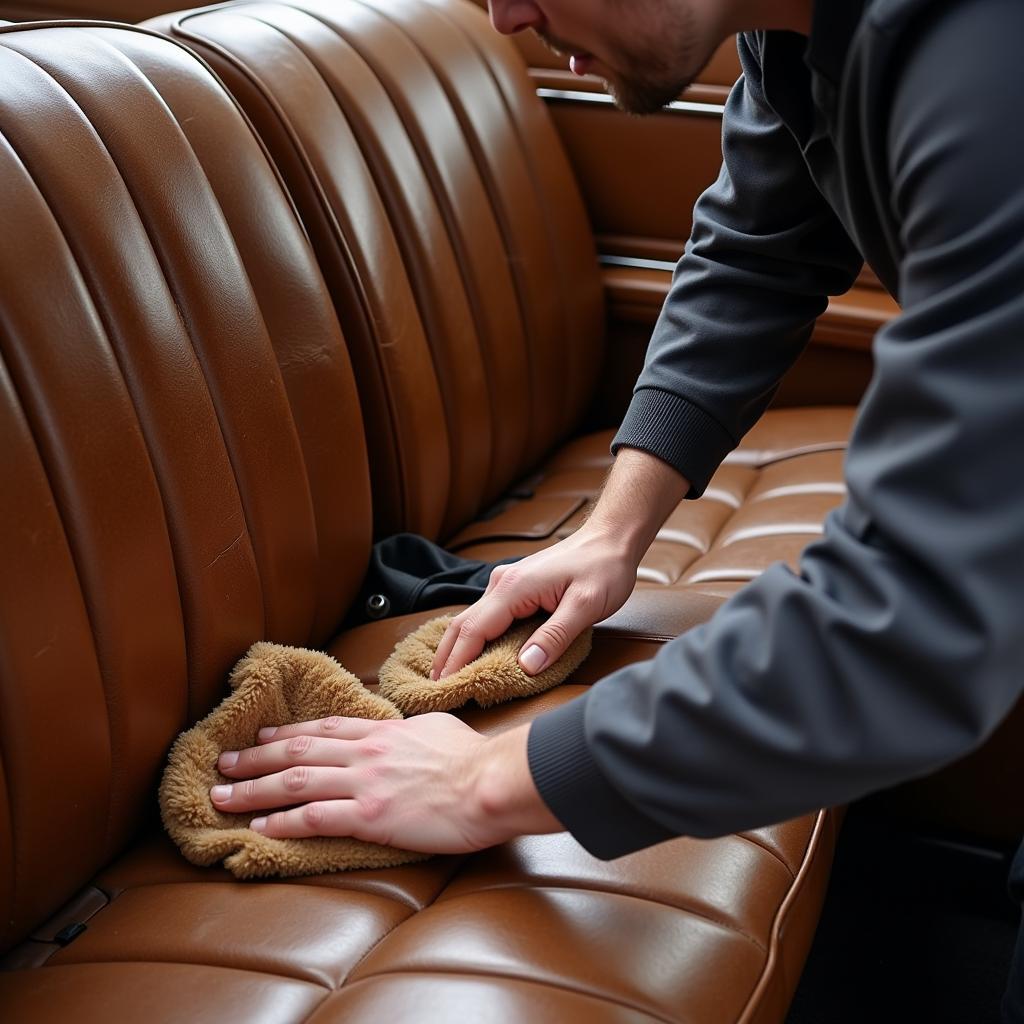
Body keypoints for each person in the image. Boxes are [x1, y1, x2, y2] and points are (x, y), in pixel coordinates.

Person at [206, 0, 1024, 1015]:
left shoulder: (987, 62)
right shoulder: (797, 36)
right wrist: (609, 532)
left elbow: (915, 618)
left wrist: (487, 782)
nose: (504, 14)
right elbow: (758, 250)